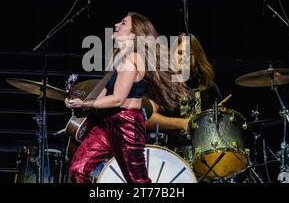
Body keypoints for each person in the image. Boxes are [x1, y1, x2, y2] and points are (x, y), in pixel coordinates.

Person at [64, 12, 185, 183]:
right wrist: (79, 102)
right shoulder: (118, 57)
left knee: (137, 181)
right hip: (107, 123)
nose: (116, 25)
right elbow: (107, 91)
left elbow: (118, 99)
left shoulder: (133, 59)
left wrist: (86, 103)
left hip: (126, 123)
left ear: (134, 33)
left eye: (123, 23)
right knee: (78, 169)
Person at [146, 33, 223, 150]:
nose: (184, 58)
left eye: (189, 54)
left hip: (205, 151)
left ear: (197, 58)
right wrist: (181, 123)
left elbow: (222, 122)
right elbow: (147, 118)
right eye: (180, 53)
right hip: (171, 153)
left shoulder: (209, 86)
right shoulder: (163, 84)